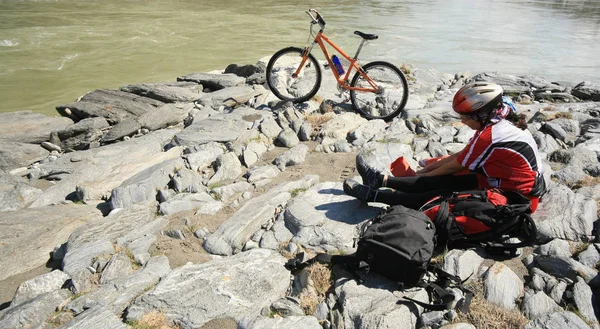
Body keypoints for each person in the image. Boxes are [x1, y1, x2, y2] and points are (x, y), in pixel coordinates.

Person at [343, 82, 546, 212]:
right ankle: (379, 180)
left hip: (517, 198)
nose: (463, 121)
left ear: (481, 115)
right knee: (440, 178)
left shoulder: (492, 135)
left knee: (437, 194)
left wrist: (424, 176)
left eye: (465, 117)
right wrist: (428, 171)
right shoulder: (500, 120)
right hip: (500, 180)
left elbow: (452, 166)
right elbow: (464, 155)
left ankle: (375, 194)